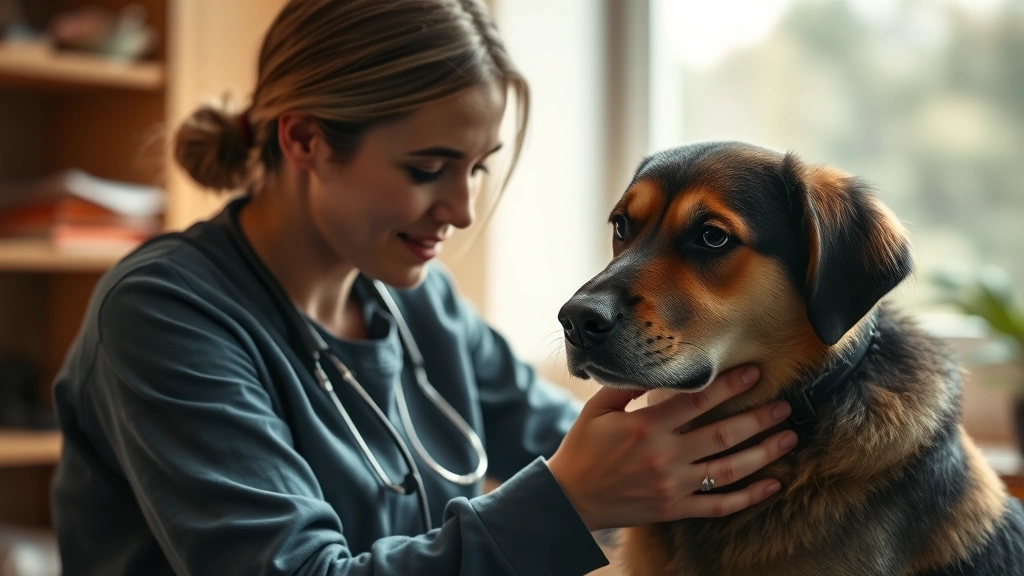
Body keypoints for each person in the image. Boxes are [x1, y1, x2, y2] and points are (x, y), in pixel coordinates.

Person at [49, 0, 798, 574]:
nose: (462, 210)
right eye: (426, 168)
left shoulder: (414, 299)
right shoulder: (163, 315)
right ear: (304, 139)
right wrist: (569, 503)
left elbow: (570, 440)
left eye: (475, 167)